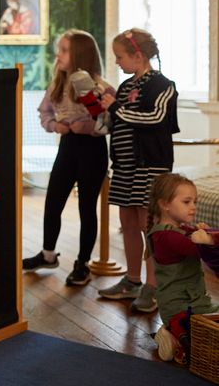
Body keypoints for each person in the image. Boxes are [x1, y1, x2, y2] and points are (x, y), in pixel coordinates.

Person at [22, 30, 113, 285]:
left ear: (80, 54)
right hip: (68, 147)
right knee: (53, 202)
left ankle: (82, 264)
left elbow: (109, 122)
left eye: (63, 50)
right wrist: (54, 125)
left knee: (86, 207)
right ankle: (48, 254)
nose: (57, 55)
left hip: (93, 151)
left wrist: (88, 127)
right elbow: (45, 112)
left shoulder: (100, 87)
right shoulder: (57, 85)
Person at [98, 28, 179, 313]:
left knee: (149, 227)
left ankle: (153, 286)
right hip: (124, 167)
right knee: (128, 225)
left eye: (120, 57)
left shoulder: (163, 85)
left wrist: (116, 109)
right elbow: (116, 122)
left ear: (138, 55)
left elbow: (155, 118)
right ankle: (132, 281)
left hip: (150, 167)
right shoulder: (123, 88)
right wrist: (102, 113)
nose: (117, 63)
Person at [146, 173, 219, 363]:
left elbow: (189, 238)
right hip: (180, 307)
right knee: (206, 333)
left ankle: (175, 335)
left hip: (195, 301)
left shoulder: (180, 231)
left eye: (195, 201)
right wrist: (209, 239)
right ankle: (172, 333)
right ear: (165, 204)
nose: (193, 207)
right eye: (187, 202)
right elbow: (196, 249)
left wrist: (200, 232)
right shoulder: (166, 236)